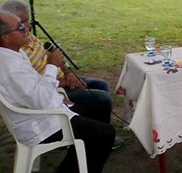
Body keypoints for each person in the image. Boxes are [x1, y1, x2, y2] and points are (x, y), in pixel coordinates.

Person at [0, 12, 115, 173]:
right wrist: (52, 65)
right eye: (20, 27)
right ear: (5, 37)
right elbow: (43, 99)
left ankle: (82, 158)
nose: (26, 28)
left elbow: (36, 88)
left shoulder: (14, 54)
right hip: (40, 123)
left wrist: (60, 96)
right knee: (105, 133)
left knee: (96, 107)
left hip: (41, 111)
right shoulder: (10, 66)